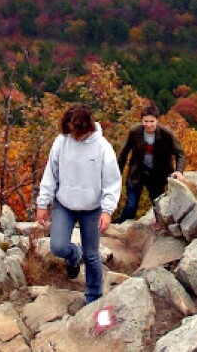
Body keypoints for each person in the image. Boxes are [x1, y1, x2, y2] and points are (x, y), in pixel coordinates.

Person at [35, 104, 121, 304]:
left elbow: (112, 181)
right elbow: (51, 173)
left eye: (76, 131)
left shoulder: (102, 147)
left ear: (86, 127)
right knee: (57, 247)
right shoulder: (61, 142)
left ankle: (93, 297)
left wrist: (107, 211)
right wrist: (43, 203)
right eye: (70, 130)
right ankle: (73, 255)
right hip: (64, 203)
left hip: (92, 207)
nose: (73, 135)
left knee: (92, 256)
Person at [116, 102, 185, 222]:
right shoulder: (135, 132)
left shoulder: (166, 134)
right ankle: (120, 228)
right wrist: (117, 174)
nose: (148, 125)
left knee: (159, 207)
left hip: (157, 176)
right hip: (137, 173)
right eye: (146, 121)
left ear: (157, 120)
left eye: (151, 121)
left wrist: (179, 171)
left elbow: (180, 153)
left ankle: (160, 232)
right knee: (131, 206)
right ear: (142, 121)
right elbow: (123, 154)